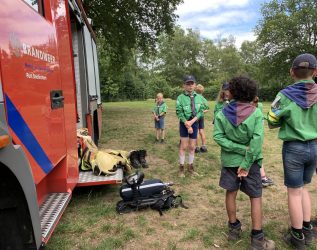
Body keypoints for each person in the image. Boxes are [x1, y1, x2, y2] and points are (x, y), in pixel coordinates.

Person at [213, 76, 275, 250]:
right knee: (255, 196)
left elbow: (218, 137)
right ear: (251, 93)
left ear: (231, 92)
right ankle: (257, 238)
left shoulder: (221, 114)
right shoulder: (256, 113)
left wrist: (237, 150)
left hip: (230, 162)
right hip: (252, 163)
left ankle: (233, 228)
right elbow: (256, 142)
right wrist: (246, 158)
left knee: (230, 193)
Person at [267, 53, 317, 248]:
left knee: (294, 192)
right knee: (304, 187)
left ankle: (297, 238)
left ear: (291, 73)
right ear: (315, 72)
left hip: (294, 149)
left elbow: (271, 120)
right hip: (315, 146)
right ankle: (307, 229)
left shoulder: (284, 95)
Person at [176, 75, 206, 178]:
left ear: (195, 85)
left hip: (195, 123)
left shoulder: (199, 97)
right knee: (184, 146)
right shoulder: (180, 98)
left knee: (192, 147)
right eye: (187, 84)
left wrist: (192, 122)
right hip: (184, 124)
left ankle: (190, 167)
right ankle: (181, 168)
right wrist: (186, 123)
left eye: (191, 84)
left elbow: (201, 111)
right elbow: (179, 112)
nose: (190, 86)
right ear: (183, 85)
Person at [251, 97, 274, 188]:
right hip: (254, 136)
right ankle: (262, 177)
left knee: (257, 155)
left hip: (255, 136)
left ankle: (263, 178)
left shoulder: (257, 108)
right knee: (256, 155)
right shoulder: (258, 107)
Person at [194, 84, 209, 153]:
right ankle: (204, 146)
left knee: (196, 131)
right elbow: (207, 109)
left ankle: (196, 147)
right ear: (202, 91)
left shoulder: (194, 98)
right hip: (201, 116)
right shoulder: (204, 99)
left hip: (196, 117)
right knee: (201, 131)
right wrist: (202, 112)